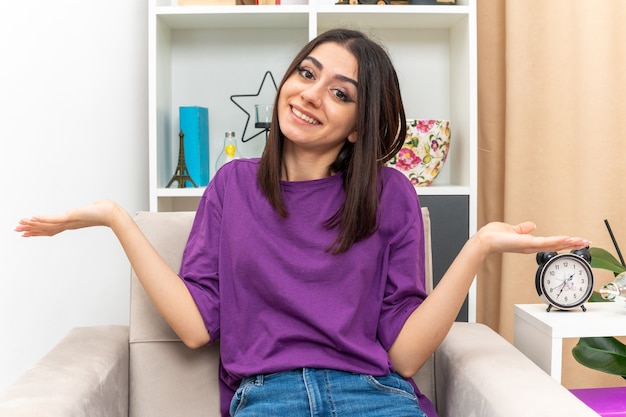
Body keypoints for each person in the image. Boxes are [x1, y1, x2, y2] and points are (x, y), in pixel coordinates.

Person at [15, 28, 590, 417]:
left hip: (376, 396)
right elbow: (195, 328)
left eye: (340, 93)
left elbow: (407, 356)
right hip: (268, 399)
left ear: (360, 126)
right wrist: (116, 219)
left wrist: (479, 247)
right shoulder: (232, 186)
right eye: (306, 73)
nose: (311, 95)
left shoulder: (389, 195)